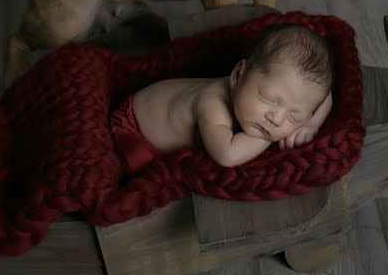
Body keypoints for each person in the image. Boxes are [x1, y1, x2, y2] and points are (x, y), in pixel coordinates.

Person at [111, 23, 334, 172]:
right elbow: (228, 155)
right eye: (268, 99)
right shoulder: (212, 104)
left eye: (294, 115)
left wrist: (310, 124)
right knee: (140, 168)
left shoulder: (274, 102)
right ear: (238, 74)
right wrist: (269, 137)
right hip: (133, 127)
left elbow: (323, 98)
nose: (276, 119)